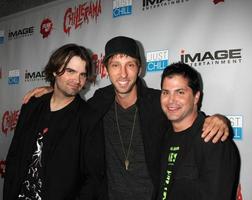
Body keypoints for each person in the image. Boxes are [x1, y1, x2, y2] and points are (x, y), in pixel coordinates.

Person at [23, 36, 231, 199]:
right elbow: (69, 103)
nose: (123, 74)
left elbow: (184, 113)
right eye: (115, 65)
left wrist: (217, 119)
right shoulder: (98, 103)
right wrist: (51, 90)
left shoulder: (158, 102)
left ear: (140, 69)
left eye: (130, 65)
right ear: (106, 69)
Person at [3, 44, 106, 200]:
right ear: (54, 70)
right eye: (70, 71)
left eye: (82, 74)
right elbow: (14, 156)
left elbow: (93, 179)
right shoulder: (32, 105)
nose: (77, 80)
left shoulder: (88, 118)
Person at [158, 62, 240, 200]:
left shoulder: (213, 139)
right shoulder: (164, 134)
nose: (171, 100)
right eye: (166, 92)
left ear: (196, 97)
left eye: (180, 92)